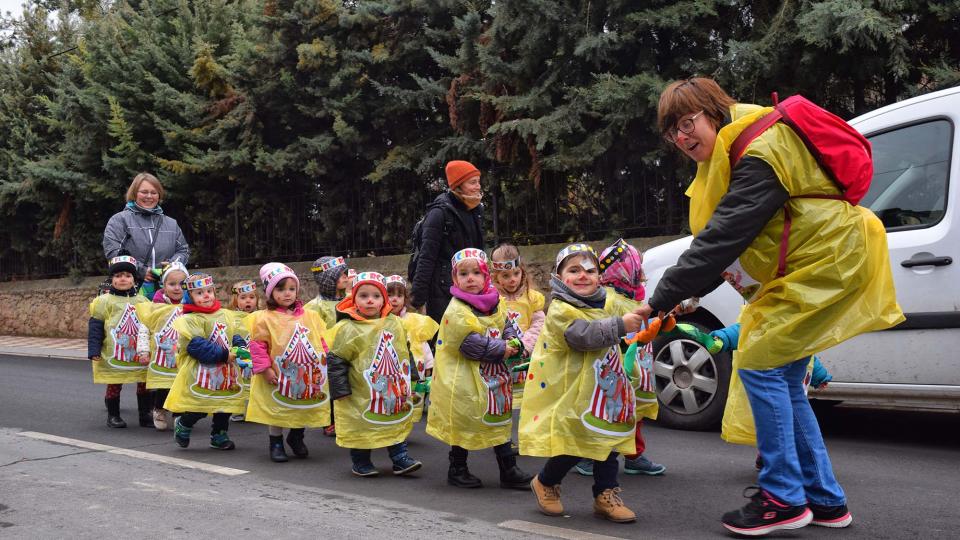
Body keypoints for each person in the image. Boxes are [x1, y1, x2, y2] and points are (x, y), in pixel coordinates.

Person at [640, 77, 904, 535]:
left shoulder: (761, 148)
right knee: (781, 375)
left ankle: (782, 496)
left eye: (688, 123)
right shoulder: (736, 149)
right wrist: (687, 298)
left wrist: (657, 301)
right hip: (814, 264)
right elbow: (734, 244)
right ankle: (824, 500)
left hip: (825, 262)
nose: (683, 138)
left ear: (714, 111)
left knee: (760, 364)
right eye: (673, 133)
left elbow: (724, 237)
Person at [519, 244, 644, 523]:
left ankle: (605, 494)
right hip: (570, 392)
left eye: (590, 270)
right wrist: (621, 325)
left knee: (607, 440)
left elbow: (636, 309)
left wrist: (670, 308)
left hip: (602, 390)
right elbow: (584, 336)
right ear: (559, 277)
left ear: (599, 277)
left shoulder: (606, 301)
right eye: (573, 270)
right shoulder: (561, 311)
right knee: (576, 444)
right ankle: (546, 482)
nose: (583, 276)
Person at [425, 248, 533, 490]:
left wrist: (514, 341)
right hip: (463, 378)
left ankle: (508, 469)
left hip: (492, 376)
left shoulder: (495, 302)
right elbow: (468, 344)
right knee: (465, 421)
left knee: (499, 419)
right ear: (455, 279)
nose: (470, 278)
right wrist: (503, 349)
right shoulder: (456, 310)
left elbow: (505, 324)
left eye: (476, 272)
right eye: (463, 274)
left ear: (486, 276)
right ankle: (458, 468)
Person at [575, 239, 666, 477]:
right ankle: (588, 456)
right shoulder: (609, 299)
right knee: (608, 411)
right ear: (625, 270)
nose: (642, 273)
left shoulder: (636, 298)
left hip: (638, 365)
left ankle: (634, 455)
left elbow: (646, 325)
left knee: (635, 411)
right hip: (617, 367)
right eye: (638, 267)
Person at [326, 272, 422, 477]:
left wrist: (412, 377)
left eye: (376, 296)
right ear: (353, 299)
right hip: (358, 389)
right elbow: (336, 360)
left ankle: (400, 457)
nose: (370, 300)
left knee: (394, 419)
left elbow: (404, 350)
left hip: (391, 386)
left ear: (383, 300)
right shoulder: (347, 328)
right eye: (363, 295)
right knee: (361, 424)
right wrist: (340, 390)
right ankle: (361, 461)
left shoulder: (394, 323)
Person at [245, 263, 331, 463]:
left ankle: (296, 436)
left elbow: (321, 340)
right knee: (277, 408)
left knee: (300, 404)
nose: (287, 294)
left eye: (291, 289)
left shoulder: (310, 316)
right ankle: (276, 442)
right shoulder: (263, 318)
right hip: (276, 373)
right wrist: (264, 369)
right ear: (270, 292)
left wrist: (326, 360)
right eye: (281, 289)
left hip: (306, 372)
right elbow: (257, 346)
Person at [164, 273, 246, 450]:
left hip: (225, 370)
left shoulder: (224, 314)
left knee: (225, 404)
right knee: (200, 406)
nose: (207, 295)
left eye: (209, 291)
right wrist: (224, 355)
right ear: (190, 297)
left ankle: (219, 434)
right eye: (200, 293)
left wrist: (241, 346)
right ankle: (184, 424)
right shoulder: (190, 319)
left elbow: (234, 333)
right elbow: (197, 346)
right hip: (201, 371)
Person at [409, 161, 485, 324]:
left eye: (478, 181)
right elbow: (426, 257)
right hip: (443, 293)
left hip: (471, 287)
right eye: (473, 182)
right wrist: (418, 298)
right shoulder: (439, 213)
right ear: (459, 185)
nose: (478, 186)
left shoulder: (476, 210)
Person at [88, 254, 151, 428]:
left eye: (127, 275)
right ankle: (113, 415)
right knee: (115, 381)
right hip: (113, 352)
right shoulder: (103, 302)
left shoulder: (143, 301)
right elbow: (95, 327)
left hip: (140, 353)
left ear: (134, 279)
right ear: (111, 279)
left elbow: (150, 326)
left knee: (144, 382)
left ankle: (145, 415)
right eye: (118, 275)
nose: (123, 279)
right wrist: (94, 350)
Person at [102, 172, 190, 286]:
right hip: (132, 288)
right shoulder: (119, 220)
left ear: (159, 195)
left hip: (166, 290)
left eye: (154, 192)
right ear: (134, 193)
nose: (149, 196)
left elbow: (183, 250)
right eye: (144, 192)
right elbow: (113, 252)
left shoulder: (172, 223)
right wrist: (140, 270)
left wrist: (171, 266)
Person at [489, 243, 544, 409]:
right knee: (501, 398)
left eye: (516, 273)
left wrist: (526, 345)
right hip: (501, 355)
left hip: (526, 355)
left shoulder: (531, 298)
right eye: (505, 276)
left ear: (522, 271)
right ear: (495, 277)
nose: (512, 279)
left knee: (525, 400)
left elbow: (539, 324)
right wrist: (501, 347)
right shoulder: (491, 299)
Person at [135, 261, 188, 430]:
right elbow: (144, 328)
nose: (177, 288)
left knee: (181, 385)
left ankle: (179, 415)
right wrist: (143, 350)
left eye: (182, 284)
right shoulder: (156, 307)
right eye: (172, 284)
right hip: (161, 354)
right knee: (164, 384)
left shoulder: (191, 307)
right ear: (163, 285)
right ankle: (159, 408)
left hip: (183, 354)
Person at [386, 275, 438, 422]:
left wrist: (429, 366)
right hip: (390, 369)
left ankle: (404, 428)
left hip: (414, 369)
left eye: (399, 295)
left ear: (405, 298)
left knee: (411, 398)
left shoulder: (414, 320)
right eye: (389, 295)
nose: (394, 299)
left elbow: (423, 345)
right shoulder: (379, 321)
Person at [228, 280, 260, 422]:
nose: (248, 301)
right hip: (238, 354)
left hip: (255, 355)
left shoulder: (261, 316)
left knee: (255, 383)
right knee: (239, 380)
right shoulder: (231, 317)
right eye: (243, 298)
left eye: (252, 297)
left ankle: (255, 409)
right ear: (235, 301)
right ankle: (237, 408)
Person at [305, 256, 351, 328]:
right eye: (339, 274)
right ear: (327, 280)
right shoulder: (315, 307)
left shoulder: (352, 298)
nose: (345, 276)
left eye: (345, 272)